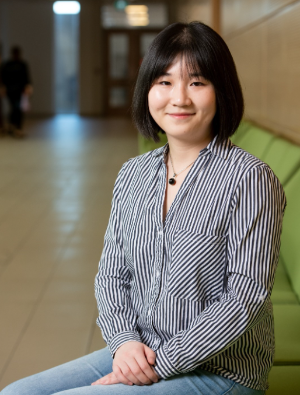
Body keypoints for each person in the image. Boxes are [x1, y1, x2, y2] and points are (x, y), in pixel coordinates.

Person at [1, 22, 286, 395]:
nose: (179, 98)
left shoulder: (250, 179)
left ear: (222, 91)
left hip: (220, 369)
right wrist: (123, 343)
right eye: (164, 82)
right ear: (147, 89)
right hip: (140, 349)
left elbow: (244, 298)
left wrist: (159, 365)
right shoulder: (133, 174)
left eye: (197, 82)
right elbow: (111, 276)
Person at [0, 46, 32, 138]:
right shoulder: (7, 65)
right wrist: (3, 87)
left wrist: (28, 86)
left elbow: (27, 77)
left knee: (17, 108)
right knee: (14, 108)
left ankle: (16, 127)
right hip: (10, 91)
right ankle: (14, 126)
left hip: (20, 91)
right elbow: (3, 77)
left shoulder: (22, 64)